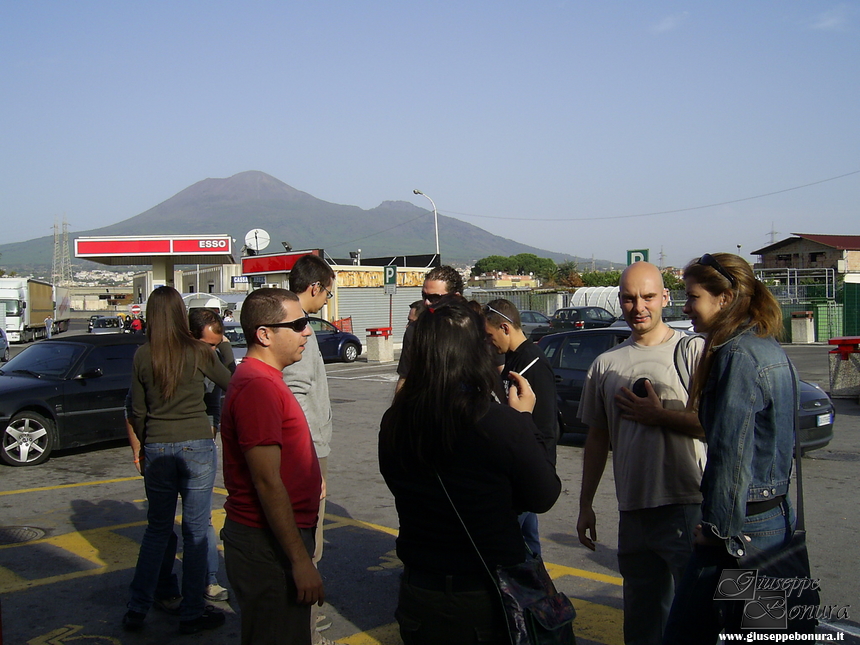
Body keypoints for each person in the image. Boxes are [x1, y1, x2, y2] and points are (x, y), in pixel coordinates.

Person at [380, 301, 561, 645]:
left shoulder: (396, 420)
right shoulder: (501, 423)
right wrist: (524, 419)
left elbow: (394, 480)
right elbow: (544, 494)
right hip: (484, 592)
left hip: (420, 590)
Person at [663, 253, 798, 644]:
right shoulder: (765, 345)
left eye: (692, 297)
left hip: (741, 528)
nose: (685, 307)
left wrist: (718, 532)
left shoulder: (738, 356)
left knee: (685, 634)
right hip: (771, 518)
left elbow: (730, 456)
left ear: (724, 298)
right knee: (759, 635)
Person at [576, 261, 705, 645]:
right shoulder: (605, 364)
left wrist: (659, 415)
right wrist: (585, 504)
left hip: (686, 505)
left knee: (696, 619)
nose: (639, 307)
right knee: (643, 623)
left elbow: (713, 425)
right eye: (630, 298)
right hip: (632, 511)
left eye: (648, 296)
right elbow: (597, 440)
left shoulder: (694, 351)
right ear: (619, 301)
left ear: (665, 297)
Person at [123, 286, 232, 635]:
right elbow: (231, 383)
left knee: (157, 529)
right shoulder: (199, 351)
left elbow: (137, 410)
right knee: (196, 530)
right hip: (196, 444)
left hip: (157, 446)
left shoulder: (143, 355)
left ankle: (137, 607)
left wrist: (145, 441)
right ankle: (192, 610)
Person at [220, 288, 324, 645]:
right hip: (267, 545)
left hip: (276, 539)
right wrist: (299, 561)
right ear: (264, 334)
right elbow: (266, 481)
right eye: (297, 324)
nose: (307, 331)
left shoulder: (266, 381)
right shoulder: (257, 387)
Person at [281, 254, 337, 643]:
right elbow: (296, 394)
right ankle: (309, 630)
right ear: (313, 287)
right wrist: (310, 461)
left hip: (305, 450)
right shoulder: (299, 327)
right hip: (307, 453)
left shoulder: (289, 322)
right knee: (307, 544)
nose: (327, 303)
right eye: (327, 293)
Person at [483, 298, 560, 555]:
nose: (488, 341)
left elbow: (545, 426)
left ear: (505, 328)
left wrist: (540, 465)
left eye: (489, 334)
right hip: (520, 467)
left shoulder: (532, 364)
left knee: (513, 546)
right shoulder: (512, 360)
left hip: (527, 466)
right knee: (527, 542)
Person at [188, 308, 236, 603]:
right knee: (187, 524)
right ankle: (177, 592)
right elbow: (135, 407)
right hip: (182, 446)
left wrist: (215, 425)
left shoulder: (212, 354)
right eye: (210, 345)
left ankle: (206, 581)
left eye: (217, 344)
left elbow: (222, 389)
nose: (214, 350)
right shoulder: (158, 356)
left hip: (198, 444)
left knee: (201, 521)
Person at [396, 265, 463, 391]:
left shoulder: (475, 328)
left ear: (456, 297)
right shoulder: (414, 331)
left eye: (434, 298)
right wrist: (396, 409)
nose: (426, 303)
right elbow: (404, 377)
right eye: (424, 296)